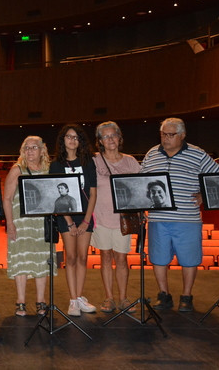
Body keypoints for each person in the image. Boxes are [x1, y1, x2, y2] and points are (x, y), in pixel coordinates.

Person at [140, 117, 219, 312]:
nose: (166, 138)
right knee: (158, 258)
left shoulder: (197, 154)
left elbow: (218, 175)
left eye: (171, 134)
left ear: (182, 135)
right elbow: (141, 179)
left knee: (189, 259)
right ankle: (163, 294)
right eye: (163, 134)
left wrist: (204, 195)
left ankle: (186, 296)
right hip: (158, 219)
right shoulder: (152, 153)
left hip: (187, 218)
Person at [2, 136, 55, 317]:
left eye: (34, 147)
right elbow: (7, 198)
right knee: (22, 261)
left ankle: (41, 301)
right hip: (21, 223)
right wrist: (10, 224)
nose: (30, 151)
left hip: (42, 224)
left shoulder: (49, 170)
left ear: (42, 150)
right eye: (27, 148)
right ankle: (21, 301)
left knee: (41, 260)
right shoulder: (17, 170)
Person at [91, 121, 141, 314]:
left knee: (121, 259)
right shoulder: (94, 161)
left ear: (120, 138)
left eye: (114, 135)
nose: (110, 139)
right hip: (101, 217)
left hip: (123, 219)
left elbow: (139, 188)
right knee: (105, 257)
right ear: (100, 141)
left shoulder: (130, 161)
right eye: (106, 136)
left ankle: (123, 298)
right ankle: (109, 298)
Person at [49, 124, 98, 317]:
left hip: (85, 216)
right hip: (65, 215)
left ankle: (79, 297)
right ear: (63, 140)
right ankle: (73, 300)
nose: (72, 140)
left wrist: (86, 221)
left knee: (82, 257)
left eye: (76, 137)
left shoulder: (88, 162)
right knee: (70, 258)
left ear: (80, 142)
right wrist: (69, 221)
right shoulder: (56, 165)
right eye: (69, 137)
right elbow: (55, 195)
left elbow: (93, 193)